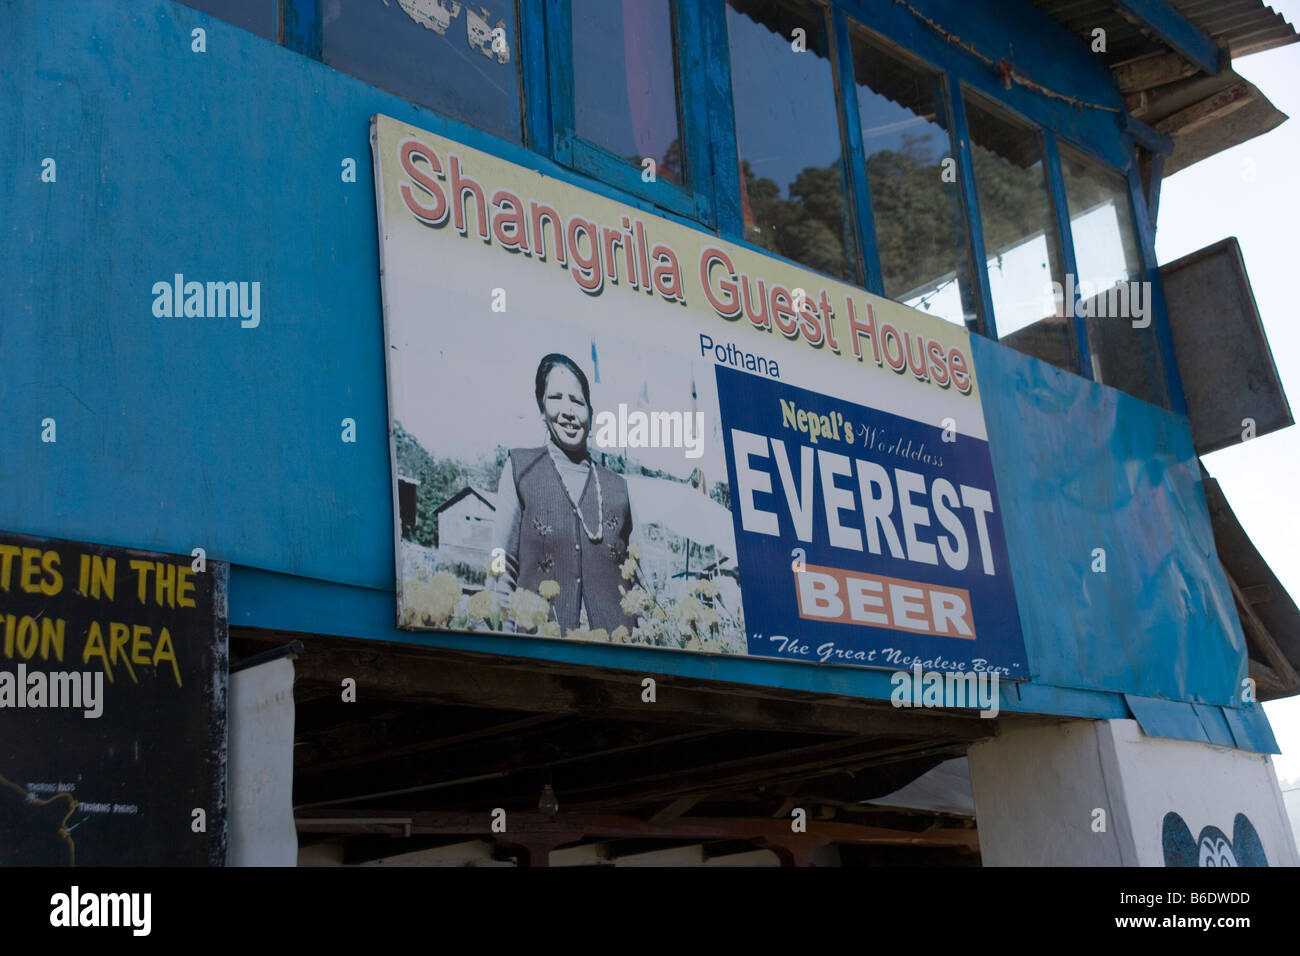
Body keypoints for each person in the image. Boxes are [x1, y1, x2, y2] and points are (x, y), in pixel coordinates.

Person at [489, 353, 638, 634]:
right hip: (538, 654)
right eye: (556, 398)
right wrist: (503, 643)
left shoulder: (620, 489)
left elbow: (638, 581)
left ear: (591, 414)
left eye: (577, 401)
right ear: (541, 408)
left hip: (615, 658)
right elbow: (501, 566)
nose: (568, 411)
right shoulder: (519, 469)